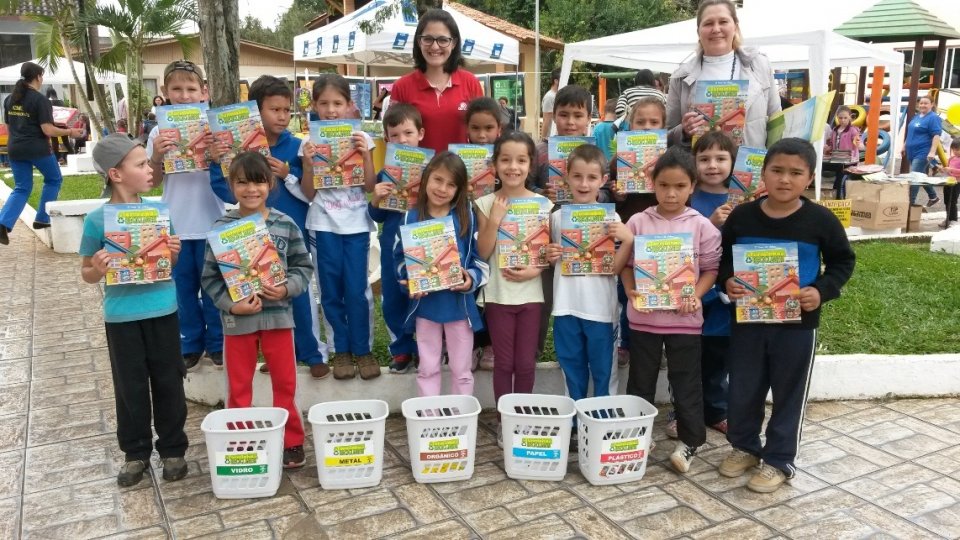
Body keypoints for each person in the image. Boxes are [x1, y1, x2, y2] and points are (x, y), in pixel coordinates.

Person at [718, 138, 855, 493]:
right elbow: (723, 260)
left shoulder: (820, 220)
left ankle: (779, 461)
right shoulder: (743, 216)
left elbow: (843, 260)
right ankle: (745, 447)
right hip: (748, 322)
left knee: (789, 392)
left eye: (795, 173)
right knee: (744, 389)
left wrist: (821, 291)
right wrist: (728, 281)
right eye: (777, 170)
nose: (784, 179)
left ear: (808, 178)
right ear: (762, 173)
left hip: (796, 325)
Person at [80, 134, 188, 487]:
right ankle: (135, 453)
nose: (149, 169)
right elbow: (86, 273)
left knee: (169, 380)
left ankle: (173, 449)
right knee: (130, 387)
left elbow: (168, 265)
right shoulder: (97, 221)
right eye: (140, 165)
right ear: (116, 174)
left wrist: (173, 251)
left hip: (162, 310)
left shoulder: (159, 212)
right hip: (121, 316)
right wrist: (97, 266)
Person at [209, 74, 331, 379]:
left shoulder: (298, 147)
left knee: (297, 294)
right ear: (255, 111)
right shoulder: (240, 149)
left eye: (287, 110)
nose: (282, 117)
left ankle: (312, 352)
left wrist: (290, 171)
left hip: (290, 233)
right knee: (257, 292)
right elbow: (225, 189)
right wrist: (215, 162)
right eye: (274, 109)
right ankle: (276, 351)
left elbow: (310, 191)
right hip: (249, 236)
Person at [200, 152, 313, 469]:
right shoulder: (221, 228)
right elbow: (209, 278)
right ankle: (239, 441)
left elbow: (303, 267)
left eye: (259, 181)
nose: (252, 189)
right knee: (238, 387)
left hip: (278, 318)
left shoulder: (285, 224)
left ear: (271, 183)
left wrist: (285, 288)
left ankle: (291, 442)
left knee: (285, 384)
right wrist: (231, 304)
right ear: (231, 185)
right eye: (242, 182)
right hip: (237, 323)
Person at [620, 146, 721, 474]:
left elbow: (710, 269)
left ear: (692, 186)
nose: (671, 193)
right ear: (653, 184)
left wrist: (697, 294)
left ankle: (691, 441)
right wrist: (629, 290)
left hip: (684, 321)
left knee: (686, 382)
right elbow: (626, 265)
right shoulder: (637, 222)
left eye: (680, 186)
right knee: (640, 381)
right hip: (644, 320)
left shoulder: (701, 226)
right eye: (664, 185)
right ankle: (638, 435)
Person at [300, 73, 380, 381]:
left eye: (338, 103)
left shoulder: (363, 139)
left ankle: (363, 348)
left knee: (357, 290)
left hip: (357, 225)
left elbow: (370, 186)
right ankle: (340, 350)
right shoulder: (309, 143)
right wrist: (308, 165)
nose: (331, 110)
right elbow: (309, 193)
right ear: (315, 107)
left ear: (349, 105)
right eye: (324, 104)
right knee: (331, 291)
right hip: (322, 225)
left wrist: (364, 156)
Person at [146, 59, 225, 368]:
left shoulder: (216, 129)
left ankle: (218, 343)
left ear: (203, 92)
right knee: (183, 290)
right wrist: (156, 156)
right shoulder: (157, 134)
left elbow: (236, 176)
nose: (184, 95)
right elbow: (152, 182)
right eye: (176, 89)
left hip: (212, 222)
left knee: (214, 288)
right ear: (165, 92)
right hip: (176, 226)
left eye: (191, 88)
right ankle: (190, 343)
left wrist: (218, 155)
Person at [544, 144, 633, 406]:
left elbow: (614, 269)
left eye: (592, 177)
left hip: (601, 310)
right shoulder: (557, 218)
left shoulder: (613, 218)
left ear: (603, 181)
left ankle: (602, 417)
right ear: (567, 177)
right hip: (566, 307)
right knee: (571, 368)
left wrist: (627, 242)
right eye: (578, 176)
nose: (584, 184)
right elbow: (553, 263)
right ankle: (574, 422)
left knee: (604, 371)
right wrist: (551, 257)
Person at [475, 131, 549, 446]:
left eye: (521, 160)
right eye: (505, 159)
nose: (513, 167)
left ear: (531, 164)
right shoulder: (486, 202)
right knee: (504, 363)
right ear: (494, 164)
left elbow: (547, 252)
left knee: (525, 362)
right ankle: (506, 420)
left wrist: (535, 269)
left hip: (531, 294)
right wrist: (495, 218)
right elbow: (482, 251)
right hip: (499, 295)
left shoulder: (544, 204)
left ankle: (523, 416)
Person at [395, 152, 488, 396]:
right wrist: (410, 280)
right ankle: (429, 422)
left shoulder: (466, 217)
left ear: (459, 190)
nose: (442, 188)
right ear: (426, 179)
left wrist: (470, 279)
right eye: (438, 180)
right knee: (427, 368)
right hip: (426, 308)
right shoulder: (410, 217)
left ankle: (461, 419)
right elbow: (399, 259)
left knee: (462, 370)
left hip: (459, 307)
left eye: (451, 184)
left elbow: (479, 260)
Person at [666, 0, 780, 149]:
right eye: (708, 23)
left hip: (750, 168)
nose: (716, 29)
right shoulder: (681, 77)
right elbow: (665, 137)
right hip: (702, 169)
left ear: (735, 27)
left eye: (723, 21)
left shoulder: (760, 65)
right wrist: (684, 131)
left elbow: (776, 123)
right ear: (698, 31)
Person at [610, 96, 670, 367]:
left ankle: (661, 342)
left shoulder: (670, 162)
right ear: (629, 126)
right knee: (628, 291)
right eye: (640, 122)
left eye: (653, 122)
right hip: (628, 236)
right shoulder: (619, 161)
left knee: (661, 285)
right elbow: (610, 202)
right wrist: (618, 195)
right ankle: (626, 343)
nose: (646, 127)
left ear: (664, 127)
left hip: (660, 236)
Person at [688, 130, 739, 438]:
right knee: (687, 354)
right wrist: (711, 222)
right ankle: (686, 411)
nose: (712, 165)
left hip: (723, 293)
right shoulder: (687, 195)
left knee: (719, 354)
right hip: (690, 290)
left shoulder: (740, 197)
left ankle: (717, 409)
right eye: (704, 158)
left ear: (733, 162)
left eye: (721, 158)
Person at [0, 62, 85, 244]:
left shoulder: (9, 99)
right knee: (54, 179)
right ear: (38, 77)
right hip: (37, 148)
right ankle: (42, 218)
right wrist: (70, 132)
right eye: (42, 76)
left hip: (15, 148)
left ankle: (3, 223)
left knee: (22, 187)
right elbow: (47, 129)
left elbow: (8, 127)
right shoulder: (40, 100)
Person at [369, 103, 424, 374]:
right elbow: (375, 216)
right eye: (395, 135)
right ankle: (401, 349)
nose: (402, 140)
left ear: (421, 134)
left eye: (408, 133)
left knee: (423, 297)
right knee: (392, 298)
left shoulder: (433, 170)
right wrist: (377, 197)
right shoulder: (385, 173)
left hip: (424, 246)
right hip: (392, 247)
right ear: (386, 139)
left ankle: (426, 348)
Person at [390, 9, 483, 153]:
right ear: (419, 41)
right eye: (428, 39)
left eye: (443, 40)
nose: (434, 46)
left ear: (454, 43)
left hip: (461, 173)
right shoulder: (401, 86)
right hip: (417, 173)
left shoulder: (470, 82)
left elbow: (483, 132)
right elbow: (393, 137)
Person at [463, 97, 504, 371]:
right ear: (467, 129)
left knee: (492, 288)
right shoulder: (459, 159)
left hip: (499, 232)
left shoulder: (506, 159)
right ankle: (474, 343)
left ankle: (490, 343)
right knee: (472, 286)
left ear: (499, 129)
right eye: (475, 128)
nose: (481, 135)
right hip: (467, 233)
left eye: (488, 128)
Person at [903, 95, 942, 206]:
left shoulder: (933, 118)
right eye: (921, 103)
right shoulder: (916, 117)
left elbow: (936, 135)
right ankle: (933, 197)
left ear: (932, 104)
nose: (923, 105)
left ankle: (910, 203)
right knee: (921, 176)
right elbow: (910, 133)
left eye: (926, 103)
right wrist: (904, 146)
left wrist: (932, 151)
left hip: (922, 152)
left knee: (914, 176)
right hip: (912, 151)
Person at [823, 106, 863, 199]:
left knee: (841, 181)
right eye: (840, 118)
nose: (843, 120)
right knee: (836, 178)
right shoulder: (834, 130)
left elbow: (858, 142)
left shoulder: (853, 130)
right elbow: (832, 145)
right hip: (836, 158)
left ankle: (839, 199)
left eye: (845, 118)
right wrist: (828, 149)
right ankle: (833, 197)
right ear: (837, 117)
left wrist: (859, 144)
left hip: (849, 160)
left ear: (850, 117)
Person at [45, 88, 74, 161]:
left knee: (55, 142)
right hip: (62, 123)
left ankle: (56, 158)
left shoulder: (47, 101)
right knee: (66, 141)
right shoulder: (61, 101)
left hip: (54, 123)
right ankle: (72, 155)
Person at [939, 139, 960, 228]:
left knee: (952, 201)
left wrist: (951, 169)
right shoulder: (951, 158)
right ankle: (948, 218)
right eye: (954, 149)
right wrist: (942, 169)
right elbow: (947, 170)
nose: (955, 151)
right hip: (948, 182)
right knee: (947, 201)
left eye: (957, 149)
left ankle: (954, 220)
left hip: (957, 183)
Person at [541, 68, 560, 139]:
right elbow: (546, 120)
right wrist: (543, 139)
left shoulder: (559, 95)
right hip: (551, 139)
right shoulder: (550, 97)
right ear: (556, 81)